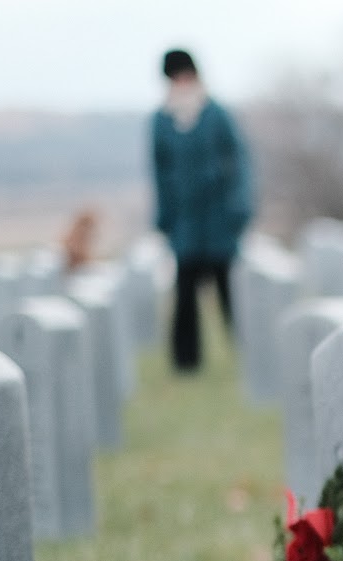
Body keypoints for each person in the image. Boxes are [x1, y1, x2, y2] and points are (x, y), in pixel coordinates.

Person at [151, 49, 251, 373]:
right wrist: (165, 218)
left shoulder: (216, 113)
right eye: (175, 77)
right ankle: (186, 363)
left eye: (186, 76)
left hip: (219, 218)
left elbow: (239, 162)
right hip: (186, 223)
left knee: (229, 293)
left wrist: (239, 207)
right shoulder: (161, 121)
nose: (182, 82)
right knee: (185, 295)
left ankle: (246, 354)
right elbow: (160, 172)